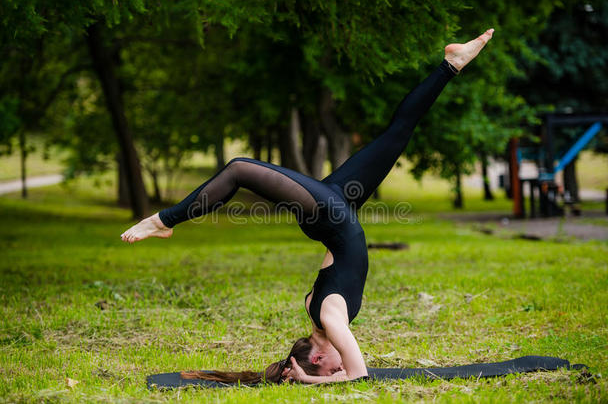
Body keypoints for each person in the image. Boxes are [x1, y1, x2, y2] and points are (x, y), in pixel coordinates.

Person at [121, 29, 494, 385]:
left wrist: (312, 381)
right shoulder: (313, 307)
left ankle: (163, 220)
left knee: (238, 169)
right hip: (337, 213)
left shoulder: (331, 319)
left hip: (329, 215)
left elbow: (359, 375)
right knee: (398, 132)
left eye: (329, 367)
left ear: (317, 358)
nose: (338, 365)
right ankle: (452, 64)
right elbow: (341, 258)